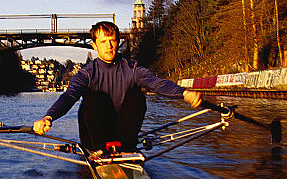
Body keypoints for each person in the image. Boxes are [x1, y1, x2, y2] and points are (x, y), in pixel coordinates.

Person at [32, 21, 202, 152]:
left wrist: (184, 93)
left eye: (112, 40)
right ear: (94, 45)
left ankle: (125, 149)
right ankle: (101, 153)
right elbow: (69, 96)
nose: (109, 46)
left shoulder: (132, 68)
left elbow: (156, 83)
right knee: (94, 98)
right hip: (94, 137)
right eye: (103, 41)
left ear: (118, 42)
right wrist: (49, 117)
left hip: (122, 135)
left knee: (137, 96)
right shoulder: (86, 74)